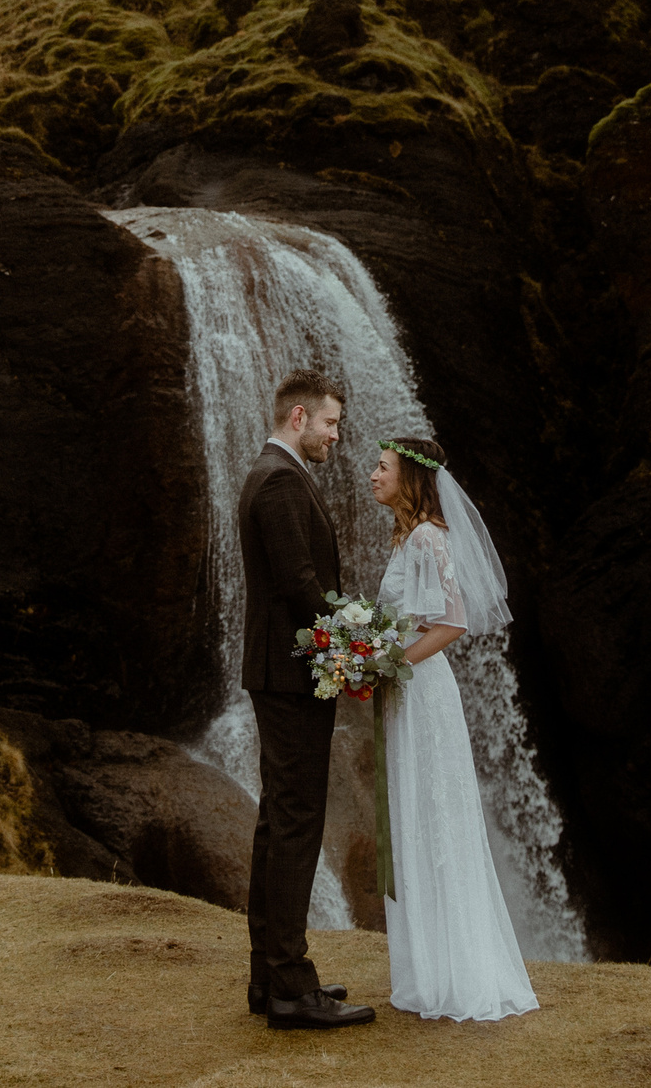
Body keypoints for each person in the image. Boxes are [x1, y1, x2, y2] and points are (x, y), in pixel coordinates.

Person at [368, 436, 539, 1022]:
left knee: (435, 819)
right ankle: (434, 969)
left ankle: (456, 973)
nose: (372, 475)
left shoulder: (424, 537)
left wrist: (387, 663)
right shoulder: (409, 535)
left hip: (422, 691)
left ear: (409, 480)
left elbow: (453, 623)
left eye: (382, 467)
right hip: (409, 691)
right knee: (419, 817)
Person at [237, 369, 376, 1030]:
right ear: (299, 416)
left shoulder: (272, 473)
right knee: (295, 826)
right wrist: (356, 646)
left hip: (280, 675)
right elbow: (299, 584)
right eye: (330, 423)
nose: (335, 434)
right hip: (292, 677)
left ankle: (271, 975)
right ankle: (291, 985)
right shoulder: (282, 480)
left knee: (277, 824)